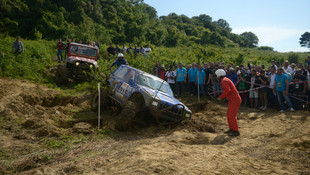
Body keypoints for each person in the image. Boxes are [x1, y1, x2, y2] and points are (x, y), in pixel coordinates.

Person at [216, 69, 241, 136]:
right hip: (232, 99)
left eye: (216, 76)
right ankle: (231, 129)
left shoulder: (224, 81)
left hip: (234, 100)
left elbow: (227, 91)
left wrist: (220, 97)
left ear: (219, 75)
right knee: (229, 114)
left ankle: (236, 131)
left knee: (232, 115)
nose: (216, 77)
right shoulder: (225, 80)